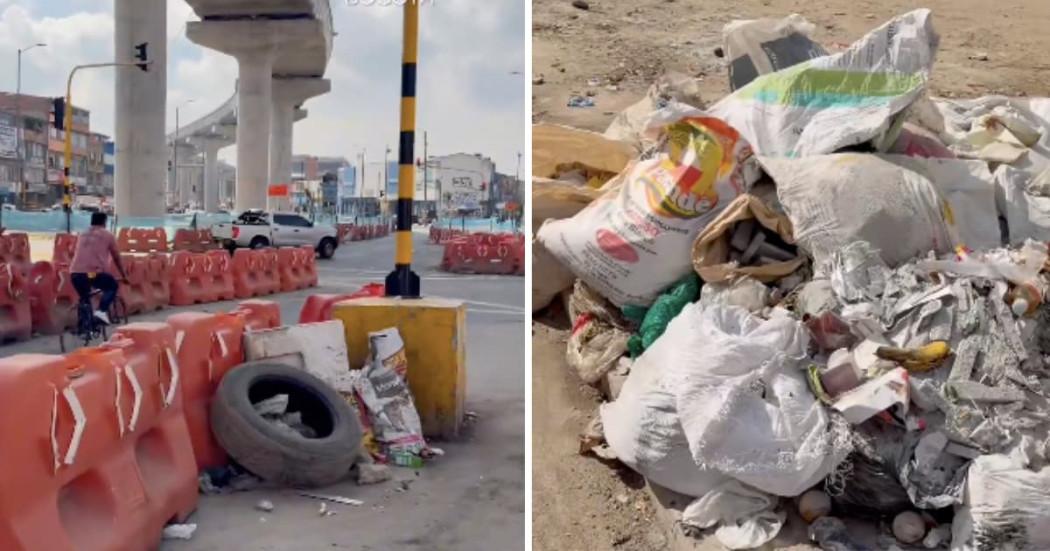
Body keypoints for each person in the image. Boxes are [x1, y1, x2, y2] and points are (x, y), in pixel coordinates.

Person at [69, 212, 127, 325]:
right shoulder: (107, 235)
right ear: (104, 222)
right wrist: (124, 275)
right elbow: (116, 257)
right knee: (112, 285)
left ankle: (83, 326)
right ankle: (101, 311)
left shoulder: (82, 234)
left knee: (84, 297)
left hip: (75, 274)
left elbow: (72, 252)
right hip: (93, 274)